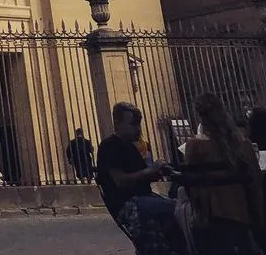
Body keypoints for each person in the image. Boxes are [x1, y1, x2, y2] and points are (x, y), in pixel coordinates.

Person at [177, 93, 264, 255]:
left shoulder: (193, 146)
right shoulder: (242, 145)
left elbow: (192, 186)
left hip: (209, 218)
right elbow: (255, 183)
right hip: (243, 217)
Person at [96, 101, 179, 254]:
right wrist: (150, 171)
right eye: (133, 124)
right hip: (129, 203)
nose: (138, 129)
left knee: (178, 208)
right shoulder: (110, 146)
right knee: (177, 209)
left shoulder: (130, 146)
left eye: (138, 124)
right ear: (118, 123)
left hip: (144, 198)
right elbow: (121, 181)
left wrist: (158, 171)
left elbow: (142, 175)